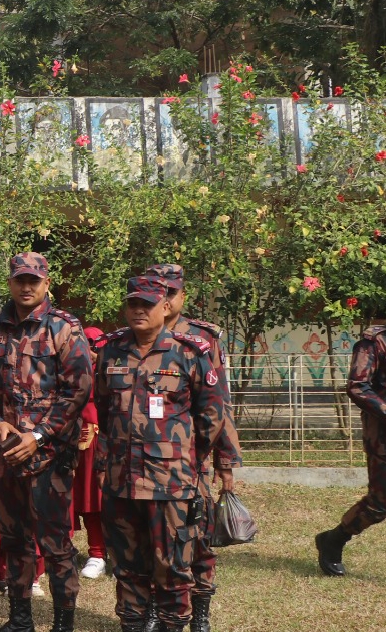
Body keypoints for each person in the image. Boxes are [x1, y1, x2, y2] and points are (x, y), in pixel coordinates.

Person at [0, 252, 93, 632]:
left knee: (55, 546)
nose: (26, 287)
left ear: (46, 284)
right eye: (20, 280)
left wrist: (38, 436)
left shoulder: (64, 328)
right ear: (10, 283)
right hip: (7, 455)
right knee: (14, 539)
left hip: (50, 457)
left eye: (33, 281)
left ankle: (63, 622)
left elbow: (79, 390)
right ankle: (20, 619)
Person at [94, 276, 228, 632]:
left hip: (170, 484)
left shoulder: (189, 351)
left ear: (164, 307)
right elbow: (104, 409)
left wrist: (184, 458)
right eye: (132, 304)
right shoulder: (111, 350)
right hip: (122, 484)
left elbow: (212, 414)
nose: (138, 310)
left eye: (147, 304)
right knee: (127, 570)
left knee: (172, 569)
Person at [148, 263, 241, 632]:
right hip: (146, 461)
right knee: (153, 538)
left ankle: (200, 611)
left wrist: (226, 463)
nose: (165, 300)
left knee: (196, 535)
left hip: (192, 460)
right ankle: (155, 608)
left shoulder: (202, 338)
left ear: (182, 295)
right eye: (159, 293)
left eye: (171, 292)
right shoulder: (138, 333)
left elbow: (219, 405)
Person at [316, 324, 386, 576]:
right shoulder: (375, 342)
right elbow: (358, 386)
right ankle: (334, 540)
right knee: (379, 505)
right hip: (383, 436)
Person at [73, 326, 108, 582]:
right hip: (68, 438)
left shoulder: (110, 372)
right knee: (70, 499)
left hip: (99, 440)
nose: (91, 352)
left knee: (95, 499)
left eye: (95, 346)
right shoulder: (71, 368)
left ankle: (98, 553)